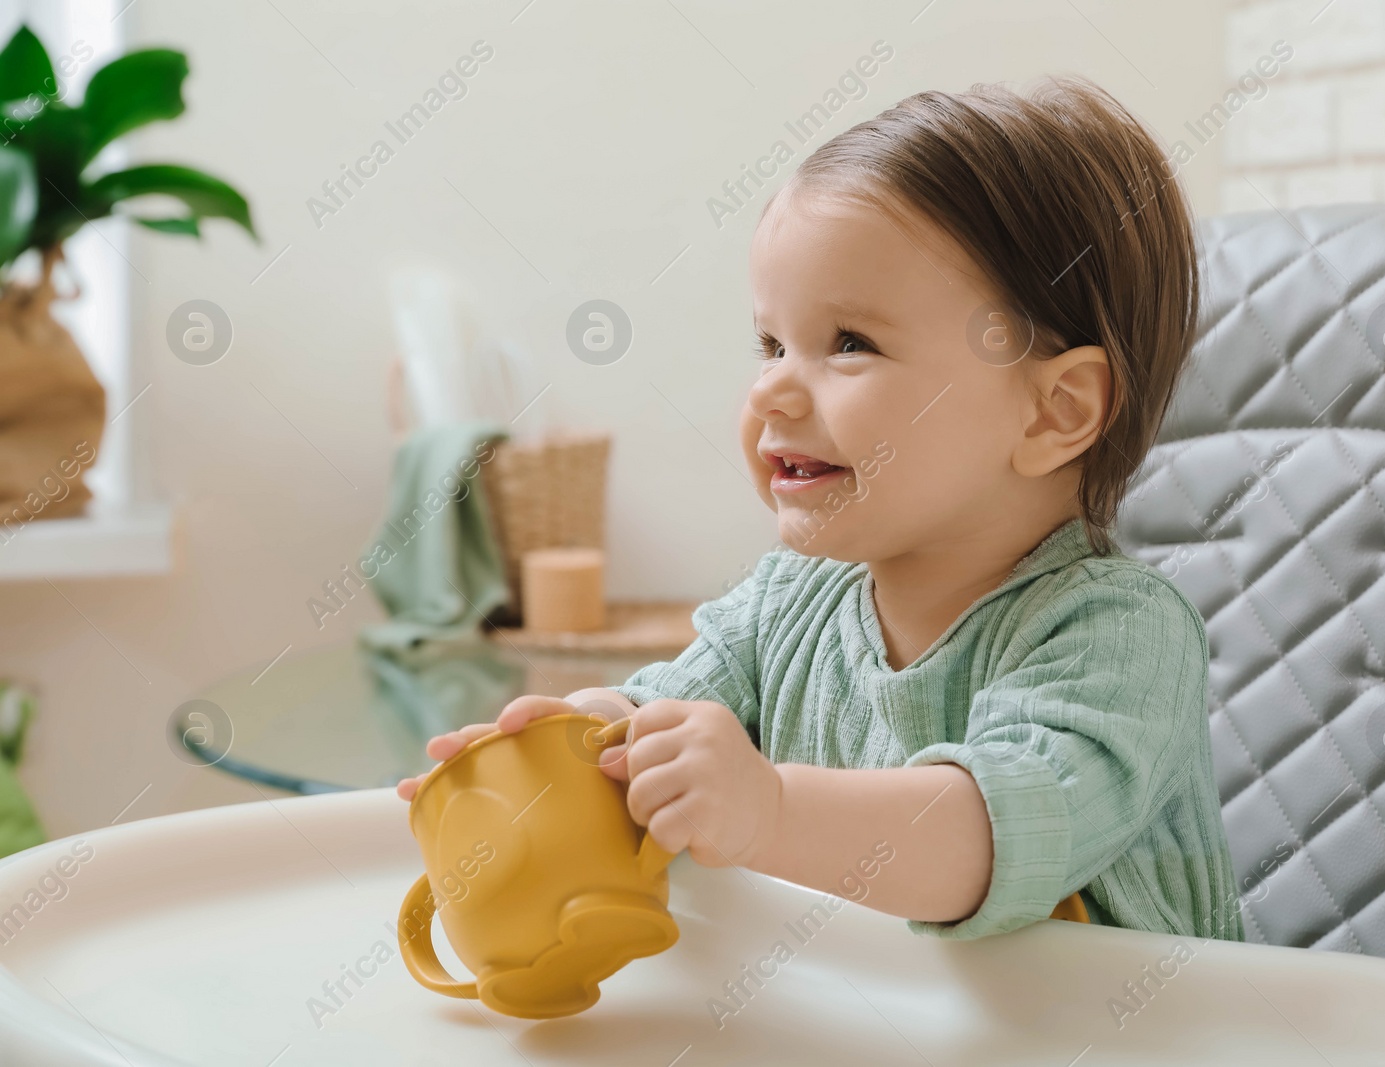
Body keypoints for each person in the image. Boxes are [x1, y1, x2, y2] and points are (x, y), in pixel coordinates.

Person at [399, 75, 1242, 942]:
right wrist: (576, 745)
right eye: (770, 343)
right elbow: (662, 716)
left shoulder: (1121, 634)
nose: (771, 391)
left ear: (1052, 411)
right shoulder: (783, 605)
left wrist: (768, 809)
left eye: (850, 344)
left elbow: (990, 834)